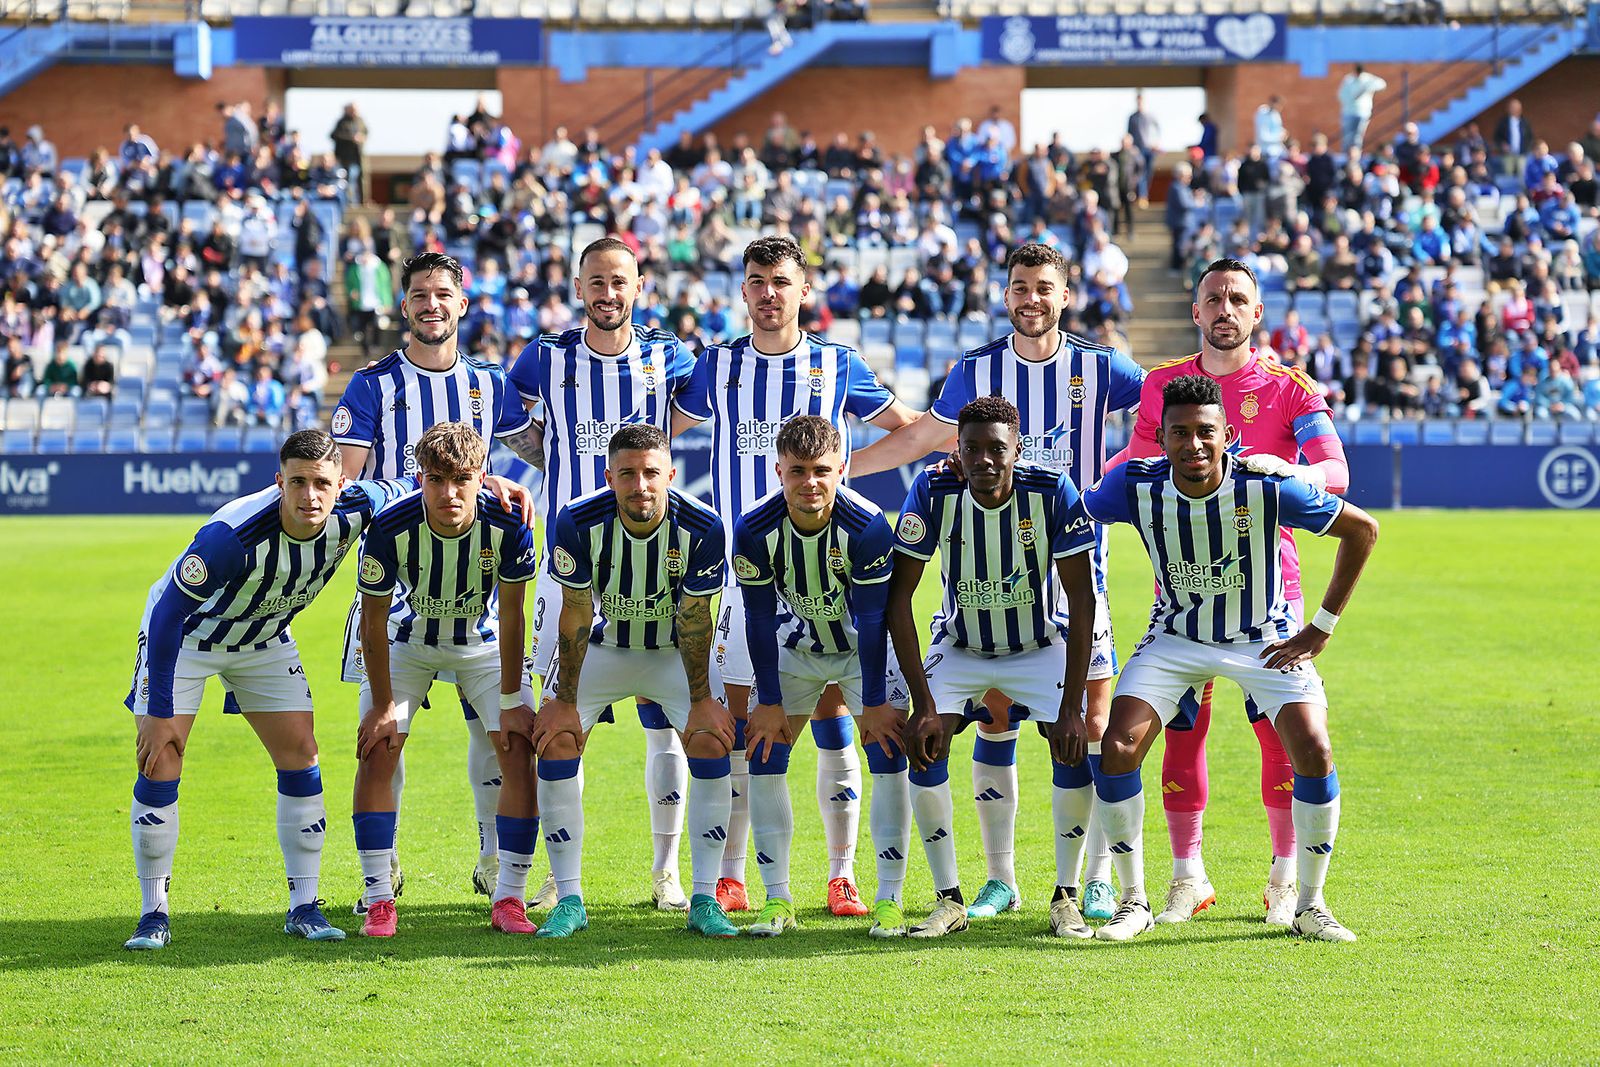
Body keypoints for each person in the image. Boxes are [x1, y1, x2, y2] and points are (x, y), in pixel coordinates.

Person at [850, 242, 1144, 924]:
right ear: (1005, 294)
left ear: (1065, 296)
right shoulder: (976, 369)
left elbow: (1165, 403)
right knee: (995, 719)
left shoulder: (1100, 366)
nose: (1032, 298)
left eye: (1045, 286)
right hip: (975, 590)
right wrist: (843, 468)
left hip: (1074, 578)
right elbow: (927, 435)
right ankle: (999, 881)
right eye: (1020, 286)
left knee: (1090, 727)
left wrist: (1121, 470)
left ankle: (1093, 881)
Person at [670, 235, 922, 916]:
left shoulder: (836, 364)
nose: (769, 292)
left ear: (803, 290)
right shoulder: (714, 366)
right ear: (743, 290)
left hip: (828, 576)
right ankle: (731, 874)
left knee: (838, 712)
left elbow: (910, 431)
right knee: (749, 721)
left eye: (782, 280)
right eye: (757, 281)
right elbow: (657, 433)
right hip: (740, 571)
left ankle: (842, 875)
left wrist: (843, 474)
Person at [1081, 373, 1379, 943]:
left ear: (1227, 434)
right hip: (1175, 639)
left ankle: (1310, 904)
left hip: (1262, 637)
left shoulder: (1268, 485)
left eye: (1205, 432)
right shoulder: (1132, 485)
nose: (1193, 445)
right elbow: (1067, 509)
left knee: (1313, 747)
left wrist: (1320, 628)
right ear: (1161, 438)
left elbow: (1362, 531)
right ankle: (1133, 900)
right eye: (1179, 434)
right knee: (1117, 747)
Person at [1116, 257, 1350, 928]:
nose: (1224, 308)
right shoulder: (1164, 386)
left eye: (1237, 298)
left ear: (1256, 313)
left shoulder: (1290, 389)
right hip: (1183, 592)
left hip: (1270, 598)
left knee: (1278, 734)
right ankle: (1188, 877)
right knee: (1182, 731)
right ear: (1195, 312)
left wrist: (1290, 468)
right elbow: (1132, 467)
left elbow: (1335, 467)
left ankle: (1285, 880)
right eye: (1212, 297)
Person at [121, 430, 414, 950]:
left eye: (322, 483)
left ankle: (304, 905)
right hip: (189, 637)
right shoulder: (230, 539)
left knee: (303, 753)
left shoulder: (358, 506)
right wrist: (160, 710)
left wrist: (497, 485)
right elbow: (167, 613)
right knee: (161, 756)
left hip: (264, 638)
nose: (310, 496)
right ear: (279, 481)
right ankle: (153, 914)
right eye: (297, 482)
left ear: (341, 482)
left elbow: (418, 484)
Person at [330, 251, 543, 915]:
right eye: (419, 293)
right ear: (404, 306)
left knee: (494, 734)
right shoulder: (372, 385)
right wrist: (423, 490)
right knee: (383, 733)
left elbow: (537, 450)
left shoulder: (487, 383)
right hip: (393, 586)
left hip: (475, 583)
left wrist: (503, 484)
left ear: (462, 301)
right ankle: (381, 866)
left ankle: (491, 863)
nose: (431, 304)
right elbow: (346, 486)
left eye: (442, 293)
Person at [507, 237, 699, 912]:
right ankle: (563, 876)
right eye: (596, 281)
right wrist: (545, 457)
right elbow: (512, 422)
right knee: (564, 720)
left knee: (663, 721)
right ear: (578, 285)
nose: (608, 292)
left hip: (655, 563)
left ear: (638, 286)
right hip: (569, 567)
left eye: (619, 281)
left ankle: (668, 871)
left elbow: (694, 417)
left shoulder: (669, 355)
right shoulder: (546, 355)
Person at [886, 396, 1097, 939]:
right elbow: (898, 599)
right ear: (955, 450)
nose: (983, 459)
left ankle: (1066, 896)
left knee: (1075, 743)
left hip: (1038, 643)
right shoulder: (933, 490)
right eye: (971, 448)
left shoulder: (1051, 492)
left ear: (1017, 449)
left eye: (996, 448)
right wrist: (925, 705)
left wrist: (1072, 708)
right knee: (923, 742)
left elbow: (1081, 599)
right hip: (961, 646)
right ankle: (948, 898)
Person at [526, 424, 737, 939]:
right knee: (555, 741)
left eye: (650, 473)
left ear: (670, 473)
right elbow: (576, 611)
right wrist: (565, 701)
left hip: (668, 652)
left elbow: (693, 619)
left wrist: (703, 701)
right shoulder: (576, 520)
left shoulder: (703, 526)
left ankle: (705, 898)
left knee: (711, 742)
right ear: (610, 477)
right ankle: (569, 897)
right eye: (627, 474)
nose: (640, 485)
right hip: (604, 648)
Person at [351, 422, 540, 938]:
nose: (449, 492)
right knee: (379, 745)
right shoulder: (390, 526)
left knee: (518, 744)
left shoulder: (508, 522)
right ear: (420, 478)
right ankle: (377, 897)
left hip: (479, 643)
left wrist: (508, 701)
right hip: (408, 642)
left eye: (461, 479)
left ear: (483, 475)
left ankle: (510, 897)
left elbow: (512, 615)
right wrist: (385, 705)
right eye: (436, 479)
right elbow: (372, 620)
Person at [732, 415, 912, 938]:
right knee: (764, 751)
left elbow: (875, 620)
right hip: (796, 648)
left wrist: (876, 701)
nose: (810, 482)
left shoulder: (870, 525)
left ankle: (889, 899)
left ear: (842, 470)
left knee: (887, 753)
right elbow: (760, 617)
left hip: (863, 652)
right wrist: (767, 699)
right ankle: (778, 899)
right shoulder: (754, 527)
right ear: (778, 472)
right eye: (797, 472)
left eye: (821, 471)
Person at [1337, 65, 1388, 157]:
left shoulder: (1368, 79)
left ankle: (1356, 156)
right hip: (1349, 112)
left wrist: (1368, 87)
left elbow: (1382, 84)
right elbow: (1341, 94)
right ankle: (1346, 156)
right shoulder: (1349, 79)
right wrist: (1351, 99)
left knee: (1357, 136)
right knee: (1347, 136)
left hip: (1363, 112)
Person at [1127, 91, 1161, 206]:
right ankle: (1142, 196)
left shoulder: (1151, 116)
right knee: (1140, 173)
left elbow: (1157, 131)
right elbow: (1129, 134)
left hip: (1150, 149)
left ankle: (1144, 195)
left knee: (1148, 173)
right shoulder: (1132, 117)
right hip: (1138, 149)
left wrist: (1156, 143)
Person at [331, 104, 369, 205]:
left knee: (361, 179)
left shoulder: (360, 121)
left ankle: (361, 202)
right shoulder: (342, 122)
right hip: (345, 158)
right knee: (347, 180)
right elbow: (334, 135)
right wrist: (351, 138)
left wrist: (362, 137)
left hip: (358, 156)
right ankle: (348, 202)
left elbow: (366, 132)